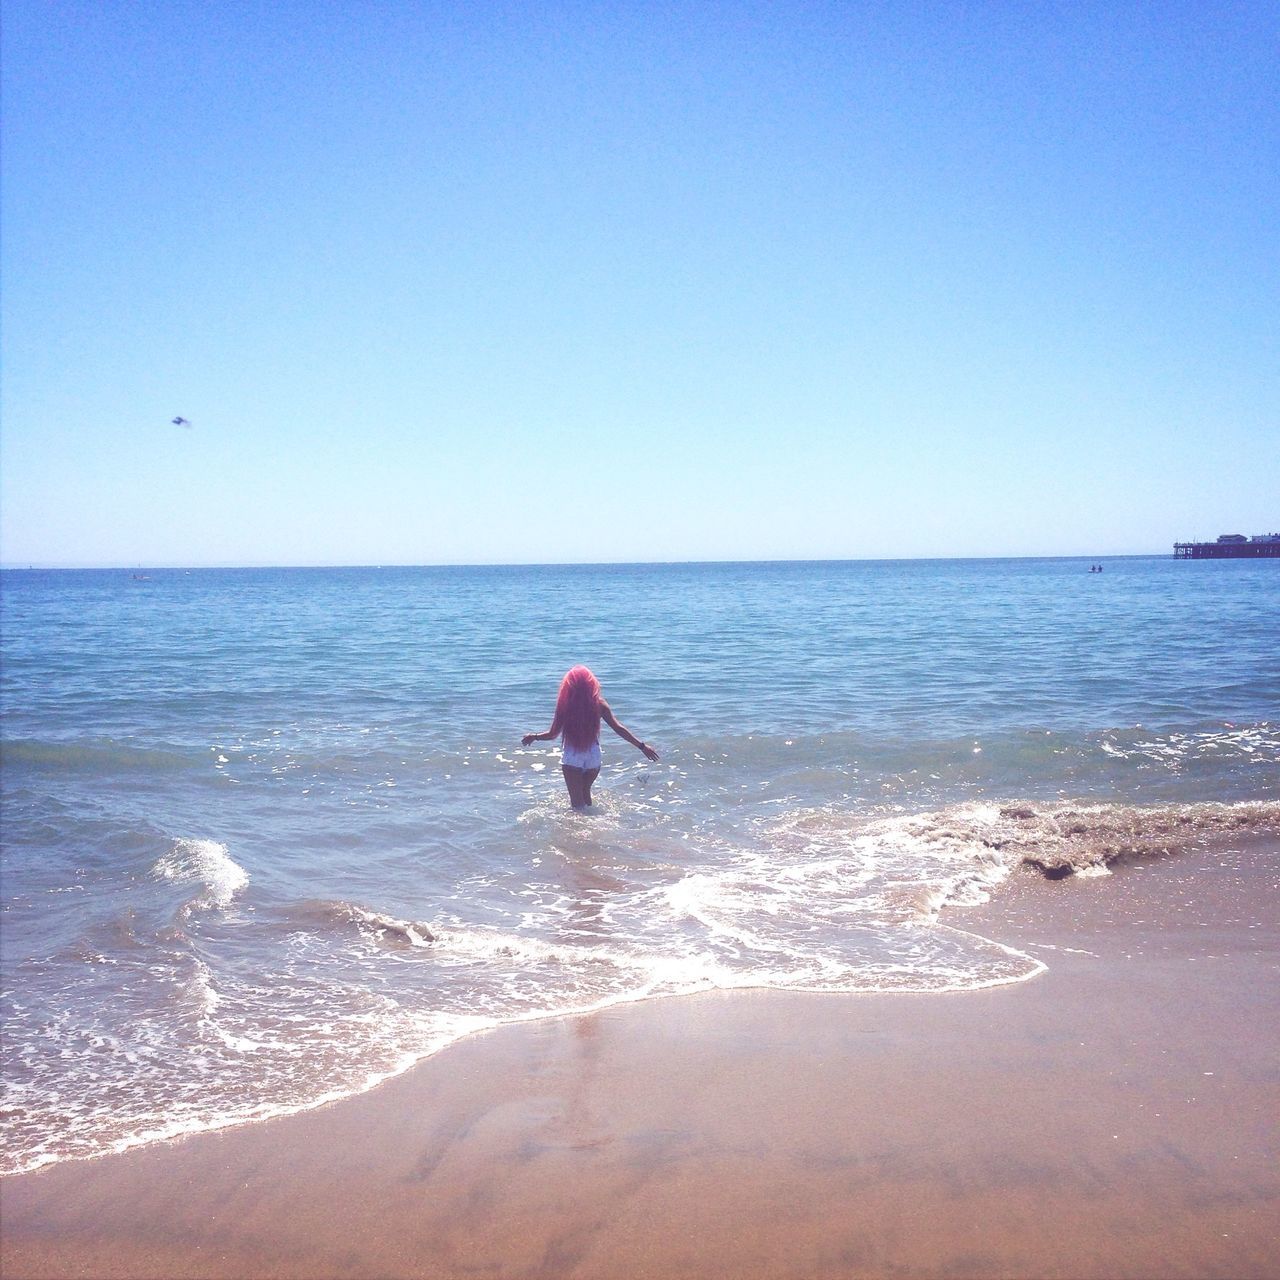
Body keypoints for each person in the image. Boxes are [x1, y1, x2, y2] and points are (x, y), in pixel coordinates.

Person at [522, 665, 659, 809]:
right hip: (594, 757)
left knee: (576, 804)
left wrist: (535, 736)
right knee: (585, 793)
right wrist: (642, 746)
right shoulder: (599, 704)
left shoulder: (565, 705)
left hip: (573, 757)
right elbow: (618, 728)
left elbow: (553, 734)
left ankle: (583, 829)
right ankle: (594, 825)